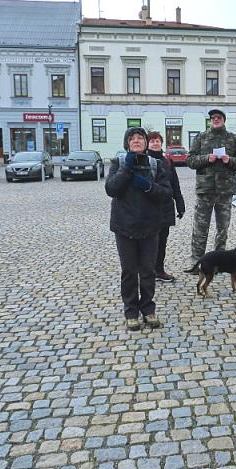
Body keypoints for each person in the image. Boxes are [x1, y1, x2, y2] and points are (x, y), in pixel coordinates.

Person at [105, 127, 172, 331]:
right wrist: (127, 169)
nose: (136, 141)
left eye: (139, 138)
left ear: (145, 143)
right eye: (132, 138)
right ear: (127, 143)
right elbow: (111, 189)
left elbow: (166, 193)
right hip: (124, 226)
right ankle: (131, 312)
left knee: (148, 271)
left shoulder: (156, 165)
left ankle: (148, 309)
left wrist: (148, 186)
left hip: (150, 226)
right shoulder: (118, 163)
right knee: (128, 271)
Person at [185, 109, 236, 269]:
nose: (215, 120)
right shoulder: (200, 138)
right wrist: (206, 158)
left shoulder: (234, 139)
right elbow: (190, 160)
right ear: (210, 121)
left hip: (225, 191)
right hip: (205, 190)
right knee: (200, 228)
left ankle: (220, 262)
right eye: (213, 118)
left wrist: (229, 160)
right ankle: (196, 263)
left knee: (222, 229)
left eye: (218, 117)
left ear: (224, 120)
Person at [147, 131, 186, 283]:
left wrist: (180, 205)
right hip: (148, 209)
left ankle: (159, 270)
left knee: (162, 242)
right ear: (147, 144)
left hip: (166, 208)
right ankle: (147, 271)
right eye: (152, 141)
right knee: (149, 242)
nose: (155, 143)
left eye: (157, 141)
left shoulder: (167, 161)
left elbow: (175, 185)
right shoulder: (144, 160)